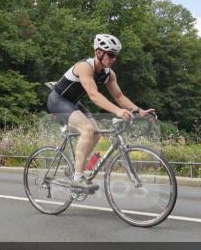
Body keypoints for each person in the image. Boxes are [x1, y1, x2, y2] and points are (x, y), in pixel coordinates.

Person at [46, 33, 155, 193]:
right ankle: (77, 179)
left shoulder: (109, 74)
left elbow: (119, 97)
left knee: (96, 133)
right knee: (88, 129)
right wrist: (118, 111)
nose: (113, 59)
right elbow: (94, 95)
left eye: (115, 56)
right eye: (110, 55)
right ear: (99, 52)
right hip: (57, 100)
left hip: (73, 103)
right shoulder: (85, 67)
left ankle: (76, 169)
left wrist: (139, 111)